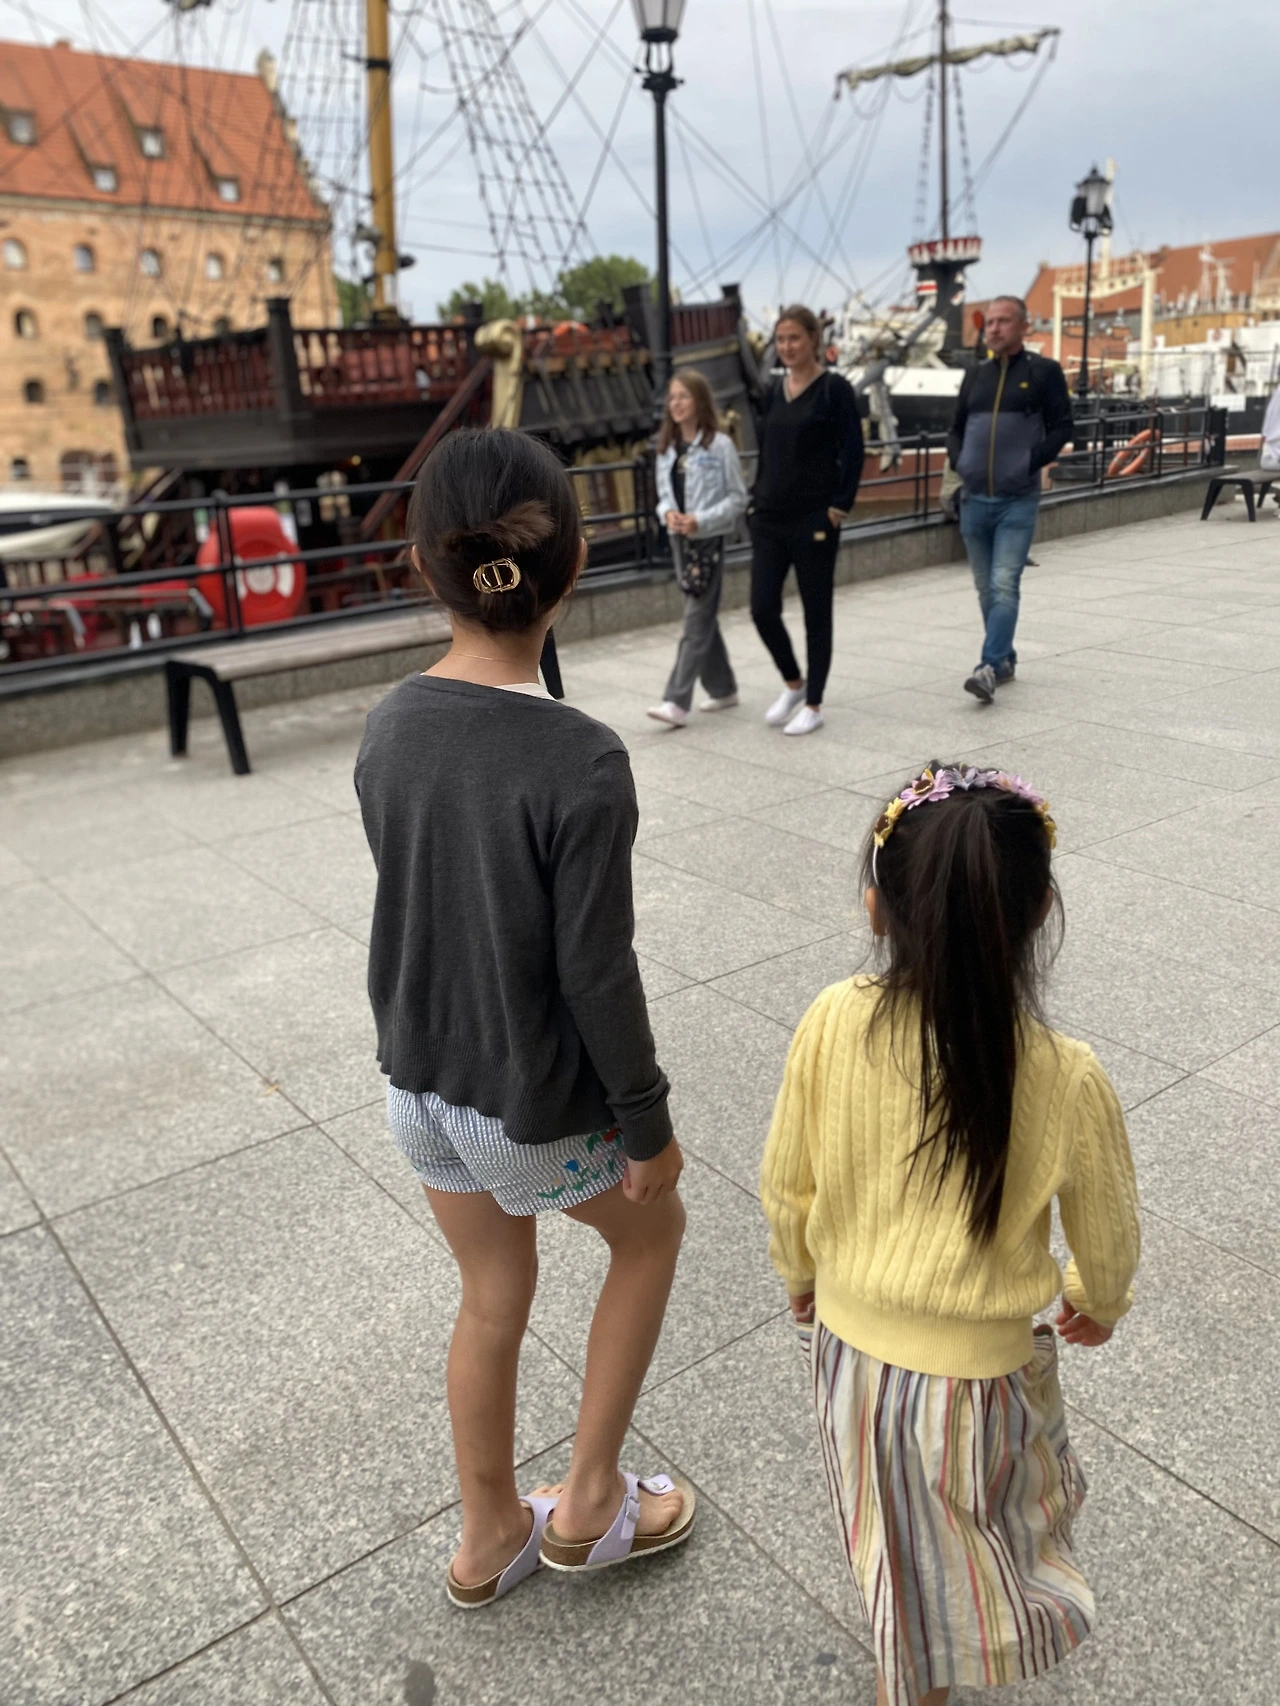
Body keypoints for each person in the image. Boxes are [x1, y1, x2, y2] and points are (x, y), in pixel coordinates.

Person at [355, 427, 693, 1610]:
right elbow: (595, 971)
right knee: (651, 1232)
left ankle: (487, 1531)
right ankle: (590, 1499)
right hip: (526, 1101)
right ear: (576, 561)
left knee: (491, 1295)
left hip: (417, 1083)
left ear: (422, 565)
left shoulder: (388, 721)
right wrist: (644, 1123)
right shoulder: (581, 758)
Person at [761, 762, 1140, 1706]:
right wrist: (1096, 1300)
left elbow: (787, 1184)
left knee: (891, 1534)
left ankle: (908, 1660)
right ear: (1040, 911)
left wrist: (801, 1276)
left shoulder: (831, 1020)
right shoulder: (1066, 1074)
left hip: (849, 1359)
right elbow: (1108, 1237)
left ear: (876, 908)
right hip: (976, 1384)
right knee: (977, 1538)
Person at [947, 295, 1072, 703]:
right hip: (974, 498)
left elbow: (1062, 428)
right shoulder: (975, 375)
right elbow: (956, 429)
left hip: (1017, 499)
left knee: (1004, 583)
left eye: (1003, 321)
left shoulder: (1044, 372)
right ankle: (1004, 660)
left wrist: (1026, 464)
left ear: (1022, 326)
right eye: (990, 322)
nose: (994, 328)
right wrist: (962, 463)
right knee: (986, 588)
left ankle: (987, 667)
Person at [750, 304, 864, 737]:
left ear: (814, 339)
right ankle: (793, 683)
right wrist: (755, 501)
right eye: (781, 339)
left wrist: (839, 506)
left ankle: (814, 703)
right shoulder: (774, 391)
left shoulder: (834, 389)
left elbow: (854, 450)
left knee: (816, 612)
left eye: (794, 338)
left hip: (814, 518)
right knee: (762, 608)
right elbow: (767, 451)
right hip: (770, 517)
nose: (787, 346)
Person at [647, 369, 749, 728]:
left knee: (695, 617)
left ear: (699, 401)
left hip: (707, 541)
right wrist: (668, 514)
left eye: (683, 396)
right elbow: (663, 496)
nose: (675, 403)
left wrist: (700, 520)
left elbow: (738, 498)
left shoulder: (719, 445)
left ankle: (676, 700)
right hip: (680, 540)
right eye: (672, 397)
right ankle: (723, 688)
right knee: (701, 614)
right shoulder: (666, 449)